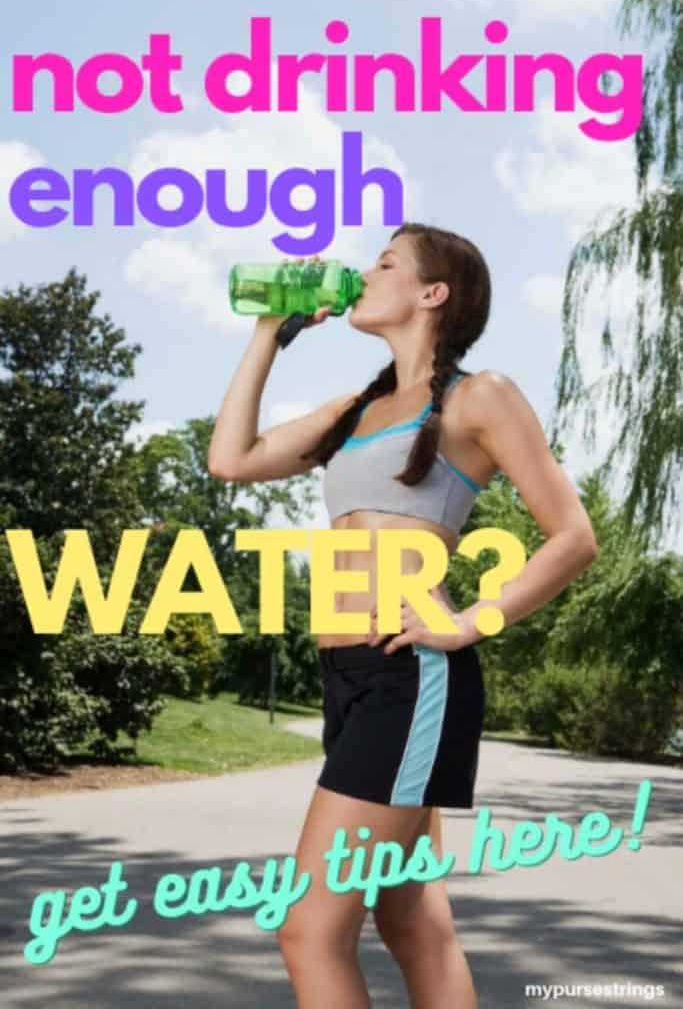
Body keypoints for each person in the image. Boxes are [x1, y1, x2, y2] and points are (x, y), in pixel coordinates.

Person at [207, 223, 598, 1008]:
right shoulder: (359, 407)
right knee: (411, 914)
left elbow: (573, 537)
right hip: (346, 673)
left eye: (383, 263)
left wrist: (472, 621)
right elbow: (231, 459)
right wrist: (266, 334)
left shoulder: (476, 396)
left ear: (431, 293)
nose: (361, 273)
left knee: (309, 928)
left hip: (407, 673)